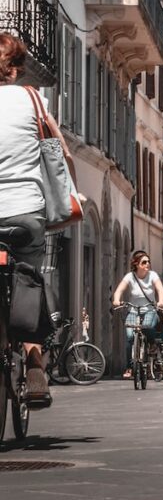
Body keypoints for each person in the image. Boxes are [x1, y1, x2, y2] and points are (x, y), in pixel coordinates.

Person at [0, 33, 81, 407]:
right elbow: (61, 151)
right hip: (25, 213)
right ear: (15, 70)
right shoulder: (33, 99)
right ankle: (34, 363)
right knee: (29, 282)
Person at [112, 250, 163, 378]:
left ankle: (151, 343)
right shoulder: (129, 277)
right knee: (130, 337)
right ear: (136, 264)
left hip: (149, 309)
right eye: (144, 262)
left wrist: (161, 301)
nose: (147, 264)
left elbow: (160, 290)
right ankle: (129, 367)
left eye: (148, 262)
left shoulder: (153, 275)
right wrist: (116, 299)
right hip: (133, 310)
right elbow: (119, 290)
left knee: (149, 326)